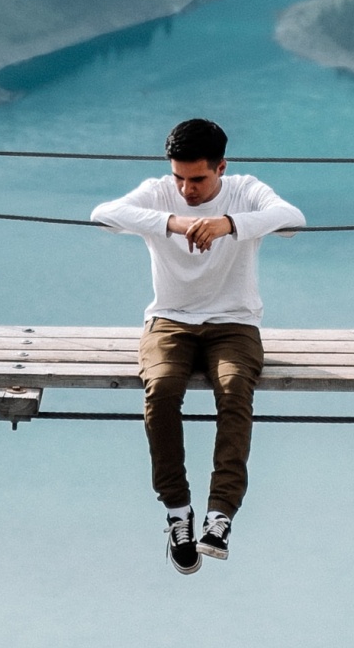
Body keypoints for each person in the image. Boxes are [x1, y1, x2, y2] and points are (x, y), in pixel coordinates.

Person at [91, 117, 305, 574]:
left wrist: (228, 224)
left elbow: (292, 218)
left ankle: (220, 514)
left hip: (235, 322)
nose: (186, 188)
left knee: (234, 392)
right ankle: (177, 511)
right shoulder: (160, 193)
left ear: (222, 167)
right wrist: (171, 222)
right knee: (162, 389)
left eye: (198, 179)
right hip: (169, 320)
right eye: (179, 178)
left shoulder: (245, 190)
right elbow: (104, 214)